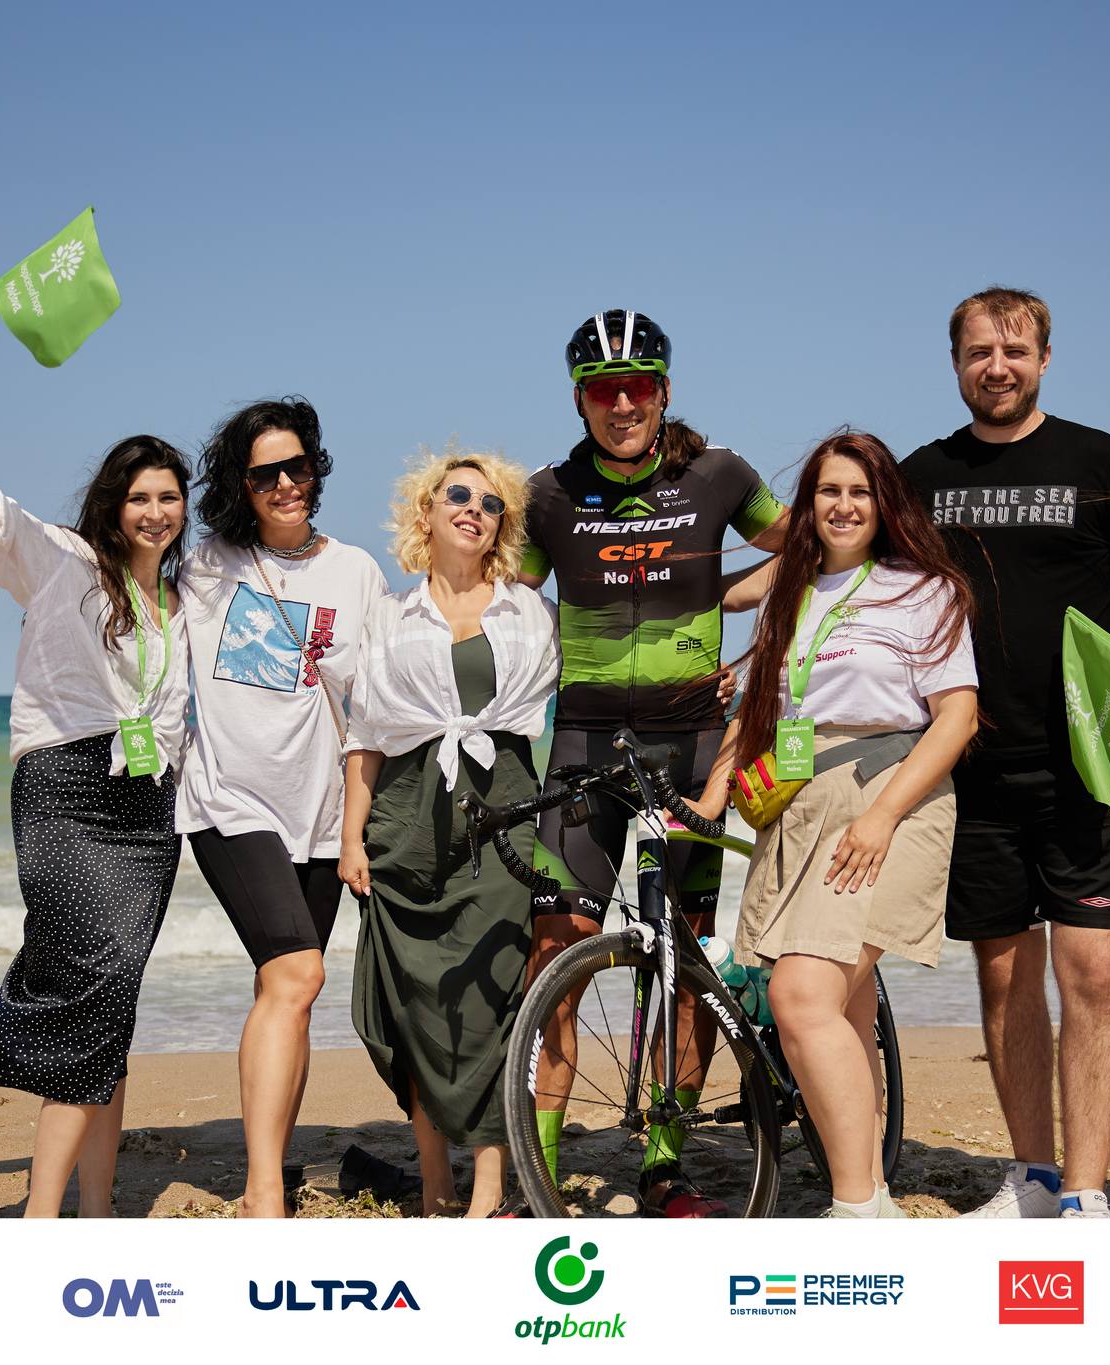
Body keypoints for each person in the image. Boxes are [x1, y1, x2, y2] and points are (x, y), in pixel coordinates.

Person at [515, 308, 787, 1216]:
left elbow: (807, 547)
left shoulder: (720, 476)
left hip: (692, 745)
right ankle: (540, 1165)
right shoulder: (548, 494)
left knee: (685, 962)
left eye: (637, 387)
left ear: (664, 392)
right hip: (582, 743)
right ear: (580, 400)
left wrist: (735, 613)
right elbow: (505, 599)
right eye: (603, 390)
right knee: (556, 955)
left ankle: (666, 1165)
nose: (622, 404)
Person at [0, 323, 192, 1219]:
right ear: (114, 503)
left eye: (170, 496)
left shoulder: (185, 600)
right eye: (140, 496)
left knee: (112, 1004)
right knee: (90, 990)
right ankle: (44, 1217)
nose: (156, 511)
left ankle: (97, 1207)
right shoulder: (63, 562)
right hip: (67, 792)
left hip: (150, 811)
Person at [898, 287, 1110, 1218]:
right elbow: (873, 596)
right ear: (955, 363)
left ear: (1045, 358)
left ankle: (1087, 1192)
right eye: (979, 352)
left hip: (1089, 764)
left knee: (1095, 974)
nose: (997, 367)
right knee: (1005, 975)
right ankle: (1036, 1178)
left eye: (1014, 350)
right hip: (972, 764)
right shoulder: (923, 475)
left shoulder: (1098, 460)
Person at [690, 431, 978, 1218]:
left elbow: (957, 718)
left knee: (800, 996)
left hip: (890, 795)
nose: (843, 506)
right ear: (808, 505)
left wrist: (882, 816)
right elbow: (763, 712)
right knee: (843, 1008)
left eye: (859, 491)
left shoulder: (923, 590)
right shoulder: (792, 592)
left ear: (885, 503)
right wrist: (712, 798)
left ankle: (855, 1208)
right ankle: (872, 1195)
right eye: (828, 491)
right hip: (800, 803)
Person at [180, 396, 388, 1219]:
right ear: (242, 484)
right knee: (299, 973)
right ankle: (264, 1188)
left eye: (296, 466)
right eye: (264, 474)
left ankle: (272, 1158)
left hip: (321, 812)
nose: (284, 485)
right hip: (228, 800)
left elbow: (384, 698)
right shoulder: (206, 565)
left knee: (289, 988)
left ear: (316, 467)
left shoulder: (358, 573)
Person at [339, 450, 557, 1216]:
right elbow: (365, 734)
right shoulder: (390, 616)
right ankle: (435, 1181)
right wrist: (352, 835)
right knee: (416, 1003)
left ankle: (488, 1186)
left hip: (505, 810)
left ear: (503, 525)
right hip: (407, 815)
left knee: (493, 996)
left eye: (491, 503)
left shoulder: (531, 612)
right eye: (458, 494)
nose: (474, 509)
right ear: (426, 511)